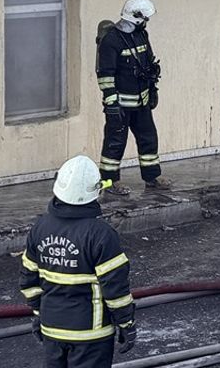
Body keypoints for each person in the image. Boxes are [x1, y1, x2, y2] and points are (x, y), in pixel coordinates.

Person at [20, 156, 136, 368]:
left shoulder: (40, 228)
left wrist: (40, 314)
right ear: (96, 191)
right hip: (91, 335)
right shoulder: (101, 234)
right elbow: (115, 289)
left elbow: (29, 280)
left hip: (52, 331)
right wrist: (126, 323)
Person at [97, 0, 169, 195]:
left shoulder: (141, 35)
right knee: (115, 142)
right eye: (145, 18)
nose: (147, 21)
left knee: (148, 138)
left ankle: (152, 176)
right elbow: (105, 75)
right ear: (136, 17)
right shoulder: (111, 41)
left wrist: (153, 90)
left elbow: (149, 64)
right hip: (120, 104)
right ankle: (110, 183)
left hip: (142, 102)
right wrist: (111, 103)